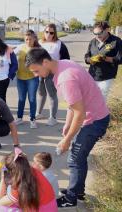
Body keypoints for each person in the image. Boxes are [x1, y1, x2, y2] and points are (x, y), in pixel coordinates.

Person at [25, 48, 110, 208]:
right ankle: (78, 191)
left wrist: (67, 139)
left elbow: (80, 113)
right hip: (95, 115)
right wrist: (67, 124)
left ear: (45, 62)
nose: (36, 75)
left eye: (36, 71)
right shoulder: (64, 64)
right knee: (78, 157)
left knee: (74, 158)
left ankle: (71, 198)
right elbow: (74, 105)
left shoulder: (65, 79)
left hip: (95, 120)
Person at [0, 148, 57, 212]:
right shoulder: (34, 171)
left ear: (12, 172)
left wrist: (3, 179)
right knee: (11, 198)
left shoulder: (18, 186)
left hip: (39, 209)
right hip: (49, 207)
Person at [37, 23, 70, 126]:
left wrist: (61, 71)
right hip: (40, 72)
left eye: (51, 32)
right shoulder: (39, 43)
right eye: (47, 32)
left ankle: (53, 117)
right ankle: (39, 113)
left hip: (52, 72)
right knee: (41, 93)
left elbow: (66, 59)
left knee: (52, 95)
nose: (49, 34)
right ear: (44, 32)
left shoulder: (59, 44)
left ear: (54, 33)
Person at [85, 21, 122, 100]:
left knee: (100, 100)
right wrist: (89, 60)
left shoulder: (116, 41)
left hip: (106, 77)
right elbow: (87, 55)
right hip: (92, 75)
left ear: (107, 30)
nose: (97, 36)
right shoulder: (93, 41)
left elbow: (120, 58)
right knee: (90, 99)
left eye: (99, 33)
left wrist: (106, 58)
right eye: (95, 34)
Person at [13, 30, 40, 129]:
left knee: (32, 99)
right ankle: (19, 118)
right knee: (21, 99)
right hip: (20, 77)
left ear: (34, 39)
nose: (28, 41)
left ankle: (32, 119)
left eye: (30, 39)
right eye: (26, 39)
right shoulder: (20, 47)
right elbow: (10, 52)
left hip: (32, 78)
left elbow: (42, 63)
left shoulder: (38, 49)